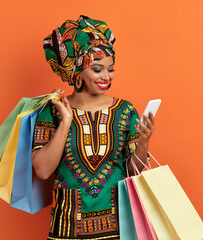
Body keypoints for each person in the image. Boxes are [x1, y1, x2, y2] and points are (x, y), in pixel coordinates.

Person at [31, 15, 155, 239]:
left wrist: (144, 143)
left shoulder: (125, 111)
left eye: (111, 69)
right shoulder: (53, 111)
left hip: (120, 226)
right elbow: (42, 170)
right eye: (97, 69)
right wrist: (65, 122)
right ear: (77, 72)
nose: (106, 76)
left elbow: (132, 171)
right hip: (67, 226)